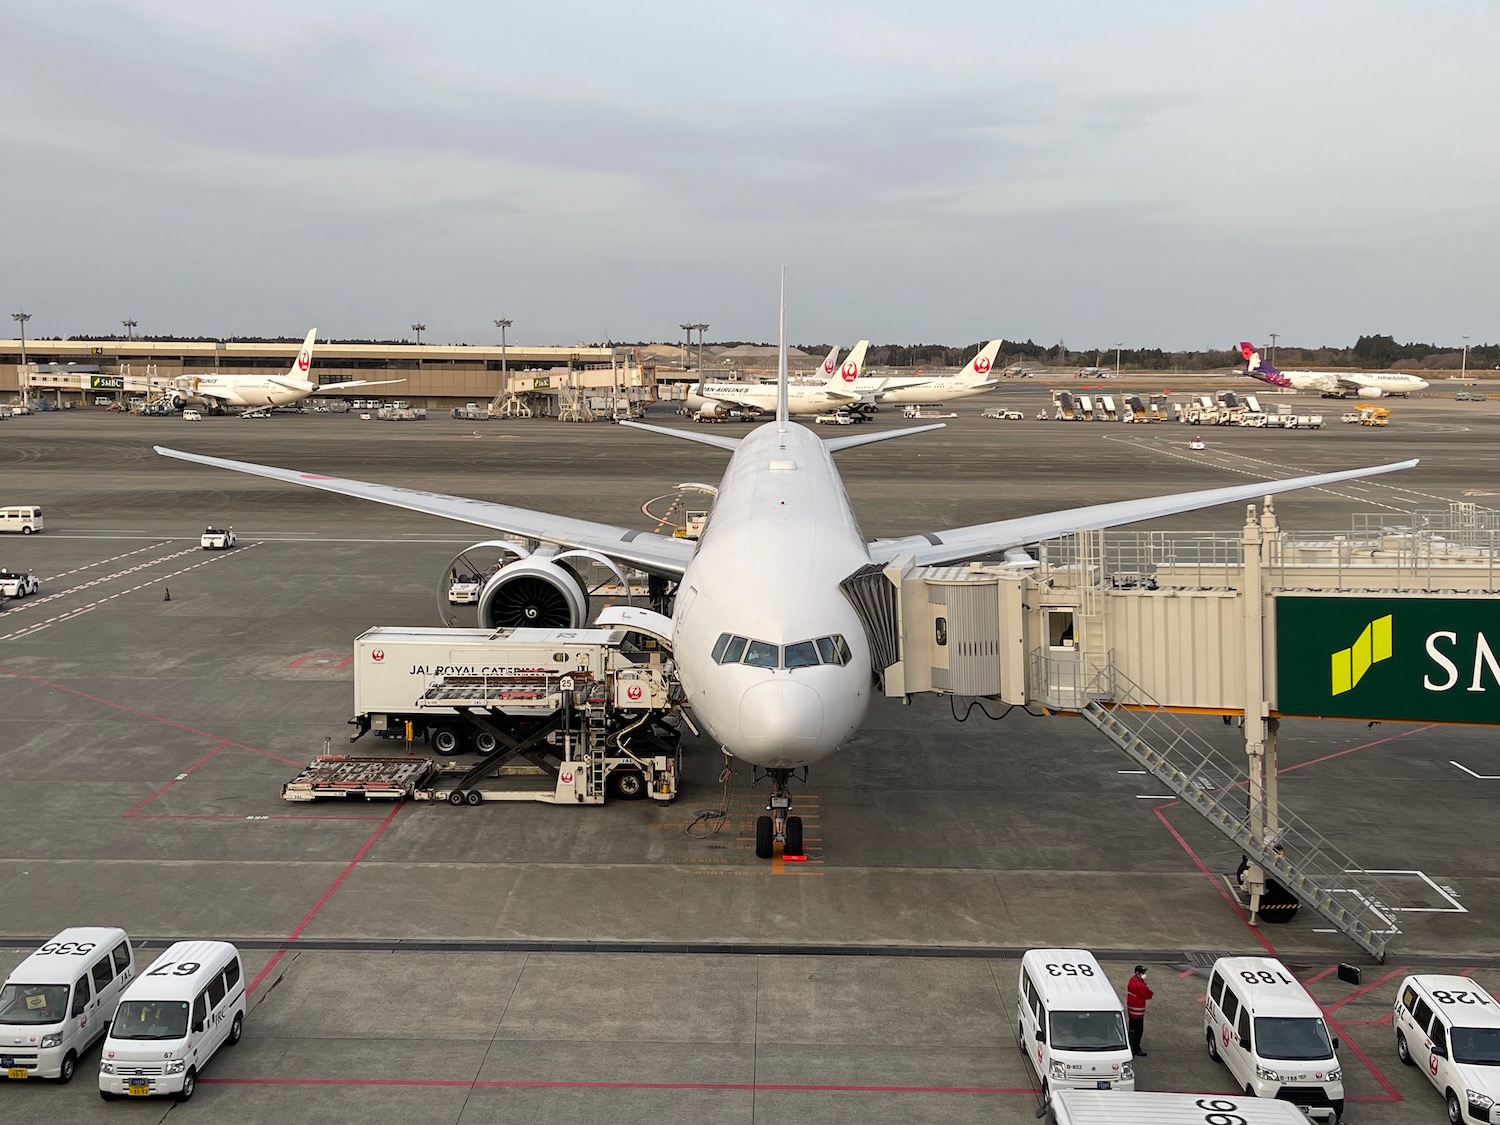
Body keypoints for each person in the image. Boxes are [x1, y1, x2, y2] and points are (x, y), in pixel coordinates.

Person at [1127, 965, 1153, 1055]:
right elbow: (1149, 995)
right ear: (1137, 973)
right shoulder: (1140, 985)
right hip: (1138, 1011)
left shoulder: (1131, 981)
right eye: (1142, 973)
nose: (1144, 974)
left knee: (1132, 1029)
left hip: (1131, 1010)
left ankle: (1130, 1045)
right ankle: (1136, 1048)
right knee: (1138, 1030)